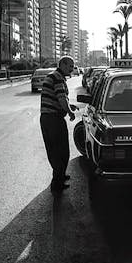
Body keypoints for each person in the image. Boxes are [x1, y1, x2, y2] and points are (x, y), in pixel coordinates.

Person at [40, 56, 78, 192]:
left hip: (49, 119)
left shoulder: (55, 76)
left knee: (56, 150)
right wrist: (70, 112)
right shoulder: (58, 77)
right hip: (53, 119)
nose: (72, 69)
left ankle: (60, 176)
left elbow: (59, 98)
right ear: (62, 65)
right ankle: (57, 183)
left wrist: (69, 105)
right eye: (70, 66)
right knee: (60, 151)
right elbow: (62, 99)